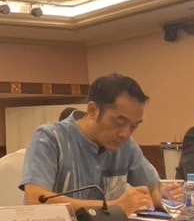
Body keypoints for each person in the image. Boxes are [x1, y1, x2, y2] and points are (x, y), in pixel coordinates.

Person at [21, 73, 162, 213]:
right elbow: (36, 200)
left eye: (133, 126)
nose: (125, 133)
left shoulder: (127, 145)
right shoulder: (50, 138)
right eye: (119, 123)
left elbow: (152, 192)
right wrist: (114, 207)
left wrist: (168, 196)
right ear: (92, 110)